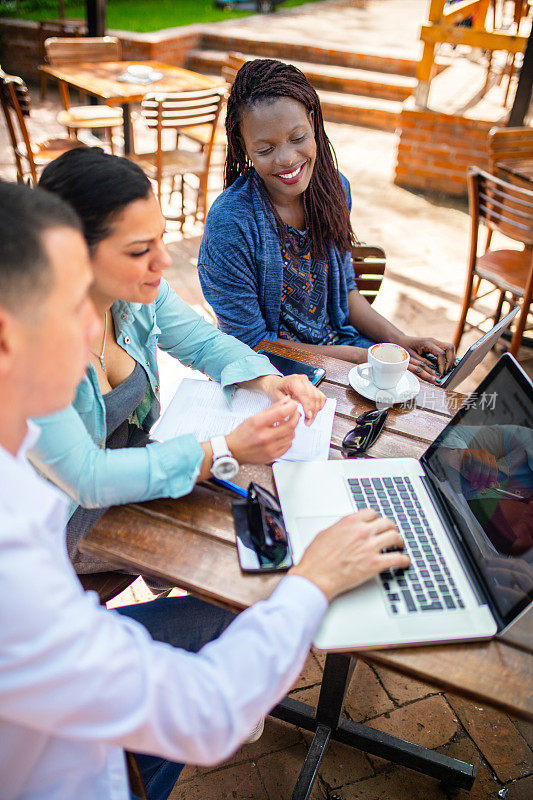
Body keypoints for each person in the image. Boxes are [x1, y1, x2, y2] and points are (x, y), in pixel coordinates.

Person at [0, 179, 410, 799]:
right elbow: (204, 713)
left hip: (68, 711)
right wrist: (312, 582)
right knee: (246, 583)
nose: (93, 324)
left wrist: (267, 380)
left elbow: (198, 338)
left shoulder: (19, 469)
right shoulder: (18, 581)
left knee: (237, 552)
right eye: (71, 303)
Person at [32, 147, 325, 587]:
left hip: (138, 462)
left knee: (253, 518)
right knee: (229, 557)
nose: (163, 261)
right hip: (57, 519)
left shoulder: (134, 297)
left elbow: (204, 342)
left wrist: (270, 380)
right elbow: (87, 479)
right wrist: (224, 450)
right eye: (138, 250)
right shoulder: (28, 347)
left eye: (161, 238)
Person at [198, 58, 456, 384]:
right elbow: (251, 345)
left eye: (298, 137)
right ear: (244, 148)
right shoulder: (231, 225)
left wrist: (398, 341)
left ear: (312, 121)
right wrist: (360, 358)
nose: (287, 159)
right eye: (265, 149)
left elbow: (345, 291)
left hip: (346, 348)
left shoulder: (334, 189)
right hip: (276, 375)